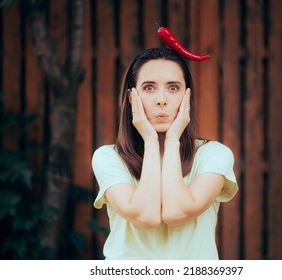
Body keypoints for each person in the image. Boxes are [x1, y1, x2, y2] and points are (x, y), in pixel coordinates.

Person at [92, 47, 238, 260]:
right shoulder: (109, 158)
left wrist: (172, 141)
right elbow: (146, 216)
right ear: (132, 98)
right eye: (149, 88)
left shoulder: (214, 155)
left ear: (187, 97)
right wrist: (151, 141)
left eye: (173, 88)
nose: (162, 99)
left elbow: (176, 212)